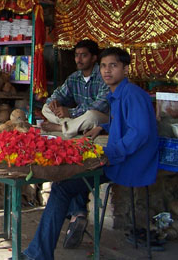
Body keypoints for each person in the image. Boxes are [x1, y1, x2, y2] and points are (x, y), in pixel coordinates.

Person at [23, 47, 159, 260]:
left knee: (62, 187)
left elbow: (139, 134)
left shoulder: (132, 94)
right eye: (104, 66)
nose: (107, 71)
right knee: (68, 175)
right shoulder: (118, 94)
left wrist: (108, 153)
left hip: (131, 161)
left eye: (113, 66)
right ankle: (46, 245)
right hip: (119, 156)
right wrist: (102, 131)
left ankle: (38, 254)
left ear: (125, 68)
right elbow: (124, 125)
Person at [41, 39, 110, 139]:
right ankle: (75, 127)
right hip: (79, 116)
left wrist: (71, 112)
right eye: (77, 55)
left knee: (91, 115)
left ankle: (61, 128)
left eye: (84, 55)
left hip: (101, 118)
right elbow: (59, 93)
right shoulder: (74, 77)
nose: (79, 59)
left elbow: (99, 106)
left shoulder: (104, 75)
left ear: (94, 58)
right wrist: (54, 101)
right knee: (46, 108)